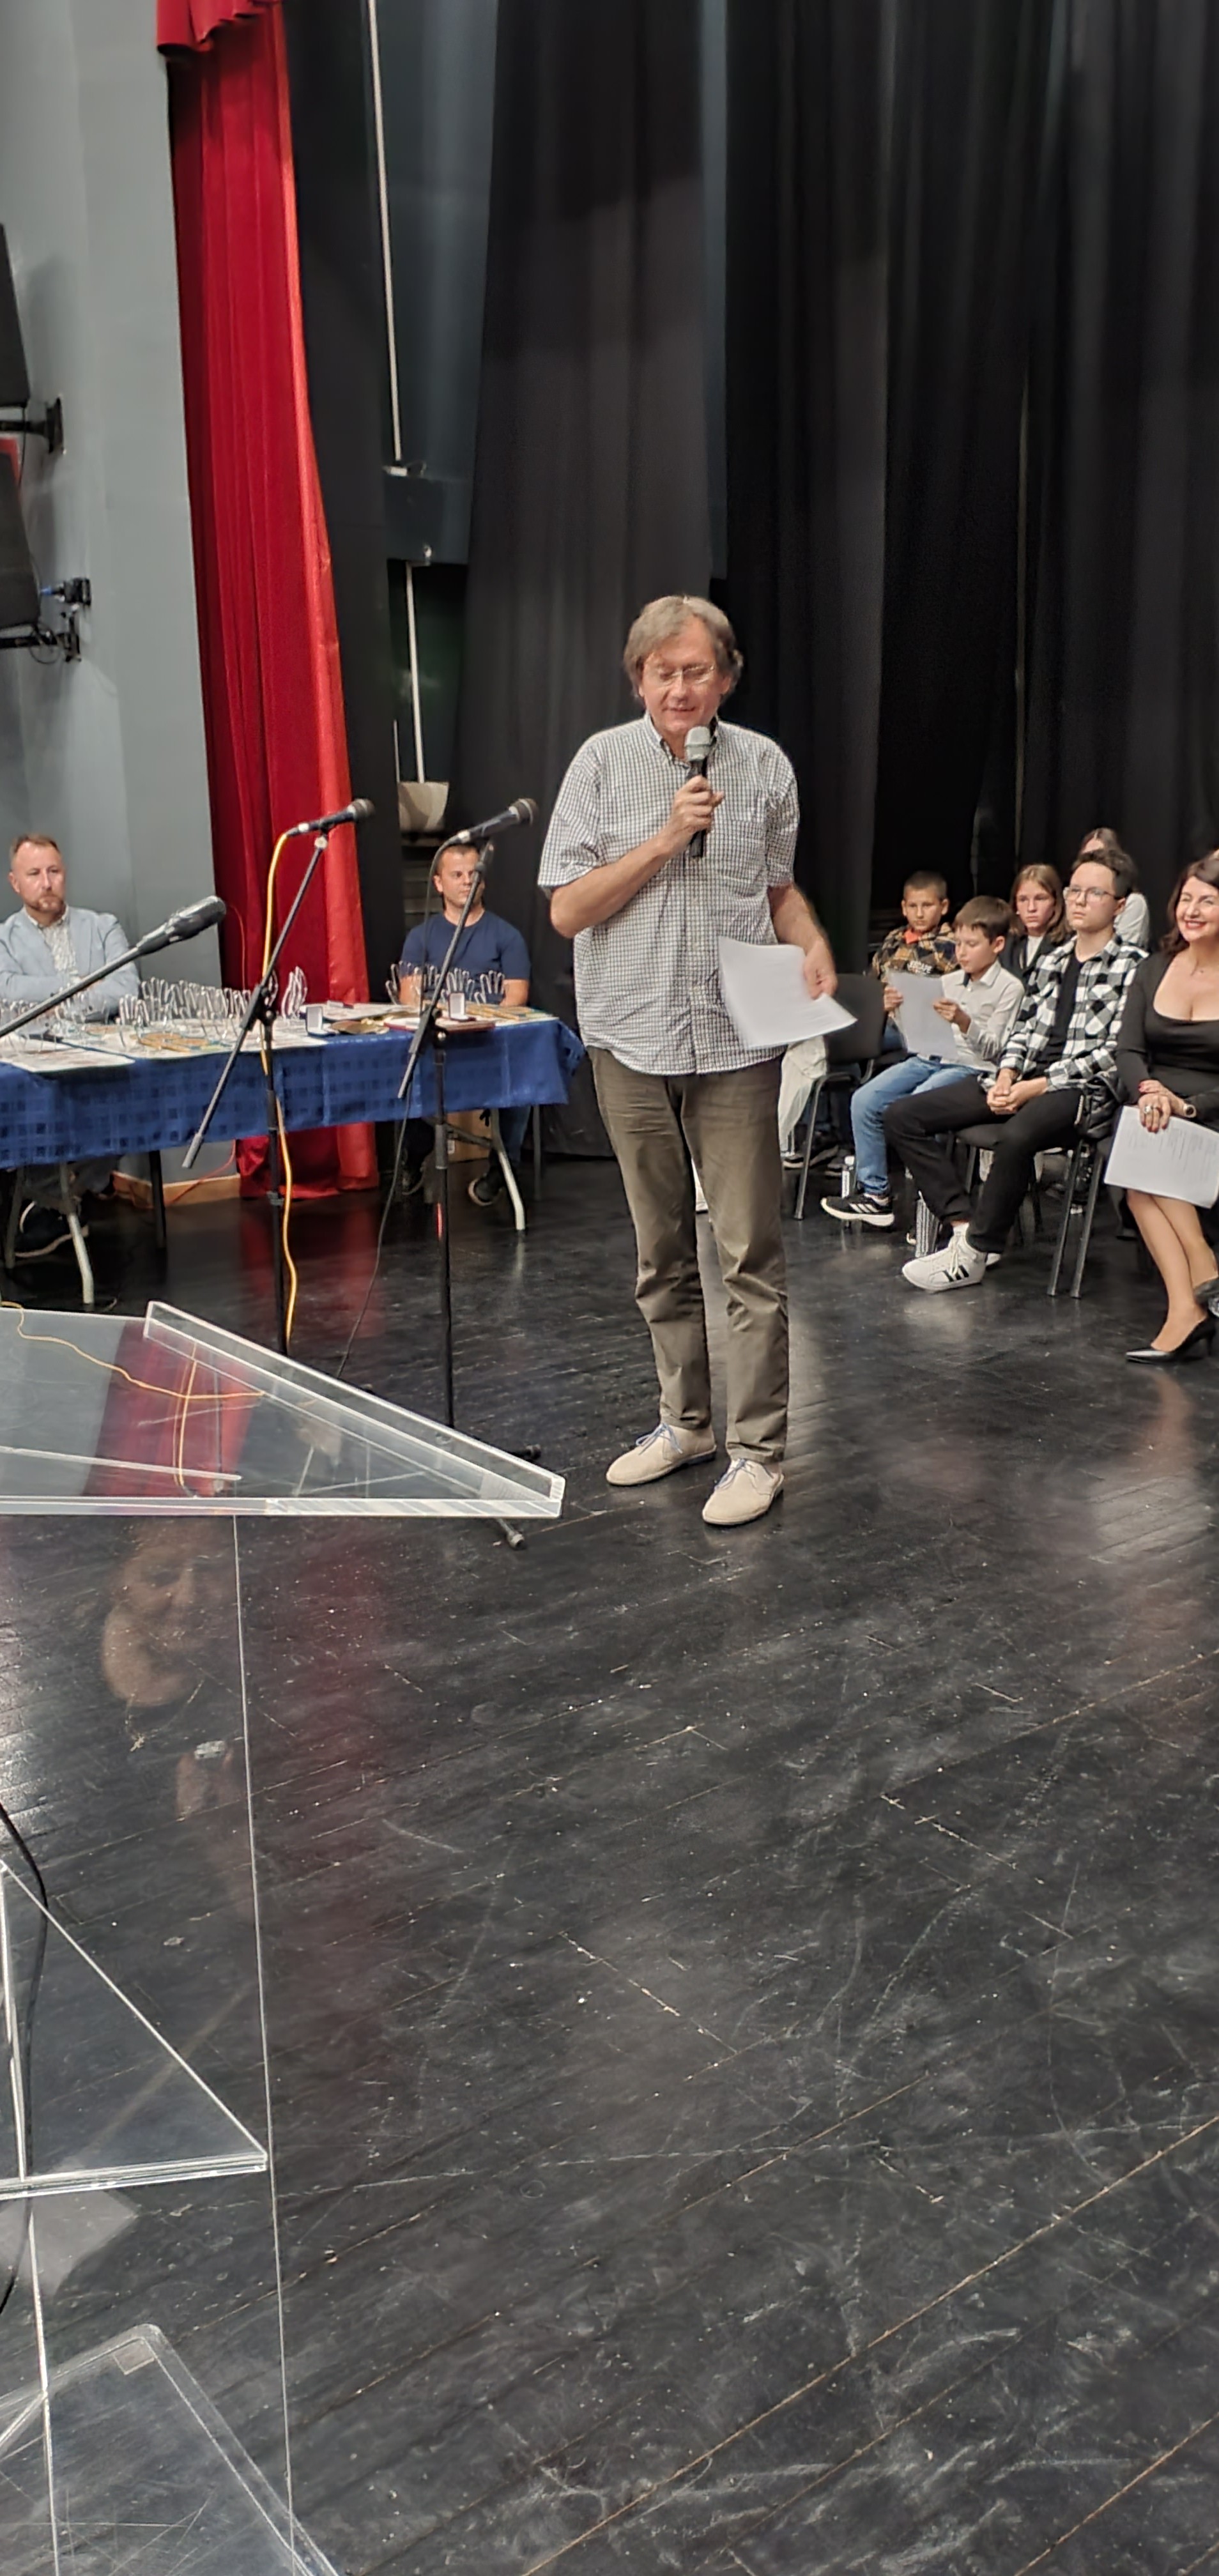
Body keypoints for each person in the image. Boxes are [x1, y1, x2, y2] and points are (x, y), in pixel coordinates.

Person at [539, 593, 835, 1527]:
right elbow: (567, 910)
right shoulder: (600, 764)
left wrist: (812, 940)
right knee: (660, 1251)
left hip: (736, 1038)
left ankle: (758, 1453)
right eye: (663, 672)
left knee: (749, 1254)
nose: (679, 687)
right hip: (630, 1036)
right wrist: (667, 838)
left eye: (696, 671)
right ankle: (685, 1424)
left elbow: (778, 891)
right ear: (639, 679)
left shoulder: (766, 766)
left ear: (727, 678)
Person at [886, 843, 1144, 1292]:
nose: (1080, 901)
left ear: (1119, 906)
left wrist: (1035, 1087)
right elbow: (1024, 1031)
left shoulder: (1134, 967)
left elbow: (1114, 1052)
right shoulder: (1052, 959)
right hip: (1021, 1076)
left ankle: (975, 1254)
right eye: (1074, 891)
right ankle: (965, 1226)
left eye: (1094, 894)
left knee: (1017, 1135)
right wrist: (1007, 1075)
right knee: (902, 1115)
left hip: (1079, 1089)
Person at [823, 897, 1022, 1228]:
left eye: (972, 945)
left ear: (997, 945)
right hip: (930, 1057)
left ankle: (932, 1208)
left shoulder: (1009, 989)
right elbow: (918, 1035)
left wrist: (964, 1022)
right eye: (959, 944)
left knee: (917, 1105)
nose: (962, 952)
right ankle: (875, 1194)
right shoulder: (949, 981)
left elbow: (997, 1052)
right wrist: (899, 1012)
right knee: (865, 1099)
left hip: (971, 1067)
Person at [0, 832, 141, 1259]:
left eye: (54, 871)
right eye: (34, 874)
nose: (46, 883)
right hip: (38, 1059)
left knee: (133, 1101)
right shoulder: (3, 940)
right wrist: (79, 985)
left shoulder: (103, 926)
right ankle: (52, 1200)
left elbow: (126, 989)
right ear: (15, 883)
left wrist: (48, 998)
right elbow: (6, 991)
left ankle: (55, 1199)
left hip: (104, 1056)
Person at [1114, 852, 1219, 1363]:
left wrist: (1189, 1107)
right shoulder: (1153, 968)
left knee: (1142, 1177)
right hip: (1154, 1106)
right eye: (1186, 899)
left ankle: (1187, 1310)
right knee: (1144, 1152)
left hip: (1210, 1110)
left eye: (1208, 901)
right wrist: (1151, 1091)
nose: (1191, 911)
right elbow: (1127, 1050)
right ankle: (1203, 1277)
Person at [398, 837, 532, 1209]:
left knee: (524, 1075)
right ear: (439, 883)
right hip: (438, 1049)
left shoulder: (507, 937)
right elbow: (410, 998)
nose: (466, 881)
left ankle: (502, 1170)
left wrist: (473, 1020)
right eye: (456, 875)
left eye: (473, 874)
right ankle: (413, 1159)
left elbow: (517, 997)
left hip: (489, 1048)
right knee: (409, 1070)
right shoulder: (420, 938)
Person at [1078, 827, 1149, 948]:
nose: (1092, 862)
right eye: (1087, 857)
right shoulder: (1072, 896)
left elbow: (1125, 951)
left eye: (1099, 856)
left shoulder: (1132, 903)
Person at [1002, 864, 1068, 982]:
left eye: (1040, 899)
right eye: (1023, 900)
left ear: (1055, 903)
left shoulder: (1068, 946)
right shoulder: (1007, 946)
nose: (1031, 908)